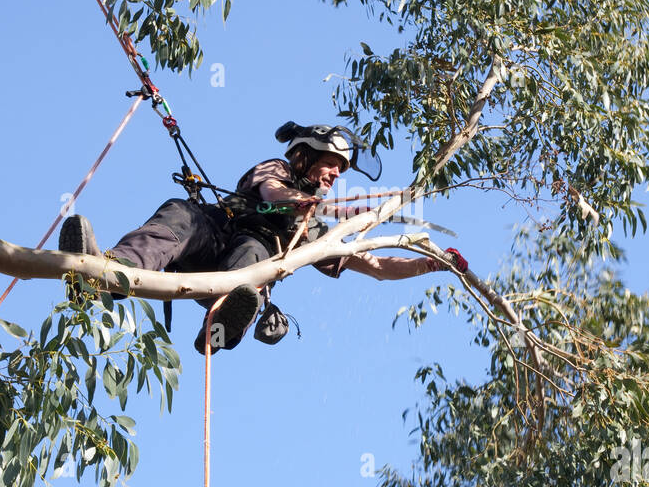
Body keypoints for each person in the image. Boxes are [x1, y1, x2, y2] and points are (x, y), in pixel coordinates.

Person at [59, 121, 467, 355]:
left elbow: (375, 266)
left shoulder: (315, 235)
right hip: (207, 241)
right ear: (305, 156)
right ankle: (104, 270)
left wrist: (428, 264)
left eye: (341, 171)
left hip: (240, 275)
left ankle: (220, 325)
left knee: (257, 250)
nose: (335, 176)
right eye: (331, 164)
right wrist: (319, 205)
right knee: (182, 211)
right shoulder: (275, 170)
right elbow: (274, 195)